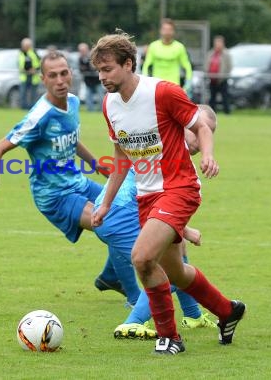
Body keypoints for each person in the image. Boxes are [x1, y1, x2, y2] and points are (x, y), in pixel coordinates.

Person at [91, 31, 245, 355]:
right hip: (147, 196)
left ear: (128, 63)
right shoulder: (109, 105)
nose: (102, 77)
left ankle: (169, 338)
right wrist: (105, 203)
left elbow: (201, 124)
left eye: (108, 69)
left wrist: (207, 154)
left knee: (141, 257)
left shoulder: (162, 92)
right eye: (99, 71)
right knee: (176, 271)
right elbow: (121, 159)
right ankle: (228, 311)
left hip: (179, 187)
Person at [94, 105, 218, 340]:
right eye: (197, 130)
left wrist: (184, 230)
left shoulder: (169, 147)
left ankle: (192, 314)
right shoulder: (168, 151)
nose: (200, 140)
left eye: (207, 134)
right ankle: (133, 323)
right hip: (122, 213)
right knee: (163, 268)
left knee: (176, 251)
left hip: (120, 211)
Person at [0, 51, 105, 245]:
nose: (60, 81)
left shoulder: (73, 102)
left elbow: (71, 141)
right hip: (54, 194)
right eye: (53, 76)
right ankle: (113, 277)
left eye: (64, 73)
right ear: (43, 79)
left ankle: (108, 277)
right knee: (113, 224)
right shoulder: (39, 117)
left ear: (71, 73)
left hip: (78, 182)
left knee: (125, 214)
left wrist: (98, 166)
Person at [142, 18, 193, 95]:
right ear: (160, 31)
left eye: (169, 29)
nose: (167, 32)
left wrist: (187, 84)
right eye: (165, 29)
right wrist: (145, 82)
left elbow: (187, 67)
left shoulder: (179, 47)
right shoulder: (153, 46)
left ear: (173, 31)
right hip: (156, 87)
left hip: (174, 87)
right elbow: (146, 65)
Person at [206, 35, 232, 114]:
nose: (218, 45)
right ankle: (212, 114)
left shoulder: (226, 54)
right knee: (212, 98)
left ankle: (227, 113)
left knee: (225, 97)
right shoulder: (210, 53)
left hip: (222, 80)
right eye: (216, 43)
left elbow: (229, 66)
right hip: (212, 79)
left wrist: (223, 75)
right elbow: (206, 64)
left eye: (219, 43)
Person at [78, 42, 103, 111]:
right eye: (80, 50)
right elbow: (81, 69)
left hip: (97, 81)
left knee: (101, 96)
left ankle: (102, 110)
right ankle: (90, 110)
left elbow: (94, 68)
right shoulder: (80, 58)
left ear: (87, 49)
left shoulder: (93, 57)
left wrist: (90, 68)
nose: (82, 52)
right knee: (88, 96)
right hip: (88, 81)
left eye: (83, 50)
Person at [18, 37, 41, 109]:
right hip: (24, 77)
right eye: (25, 46)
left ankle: (32, 107)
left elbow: (40, 63)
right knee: (23, 93)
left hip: (34, 77)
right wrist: (23, 70)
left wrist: (35, 69)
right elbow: (19, 64)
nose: (26, 47)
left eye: (27, 45)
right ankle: (23, 107)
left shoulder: (34, 53)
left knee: (33, 94)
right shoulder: (20, 53)